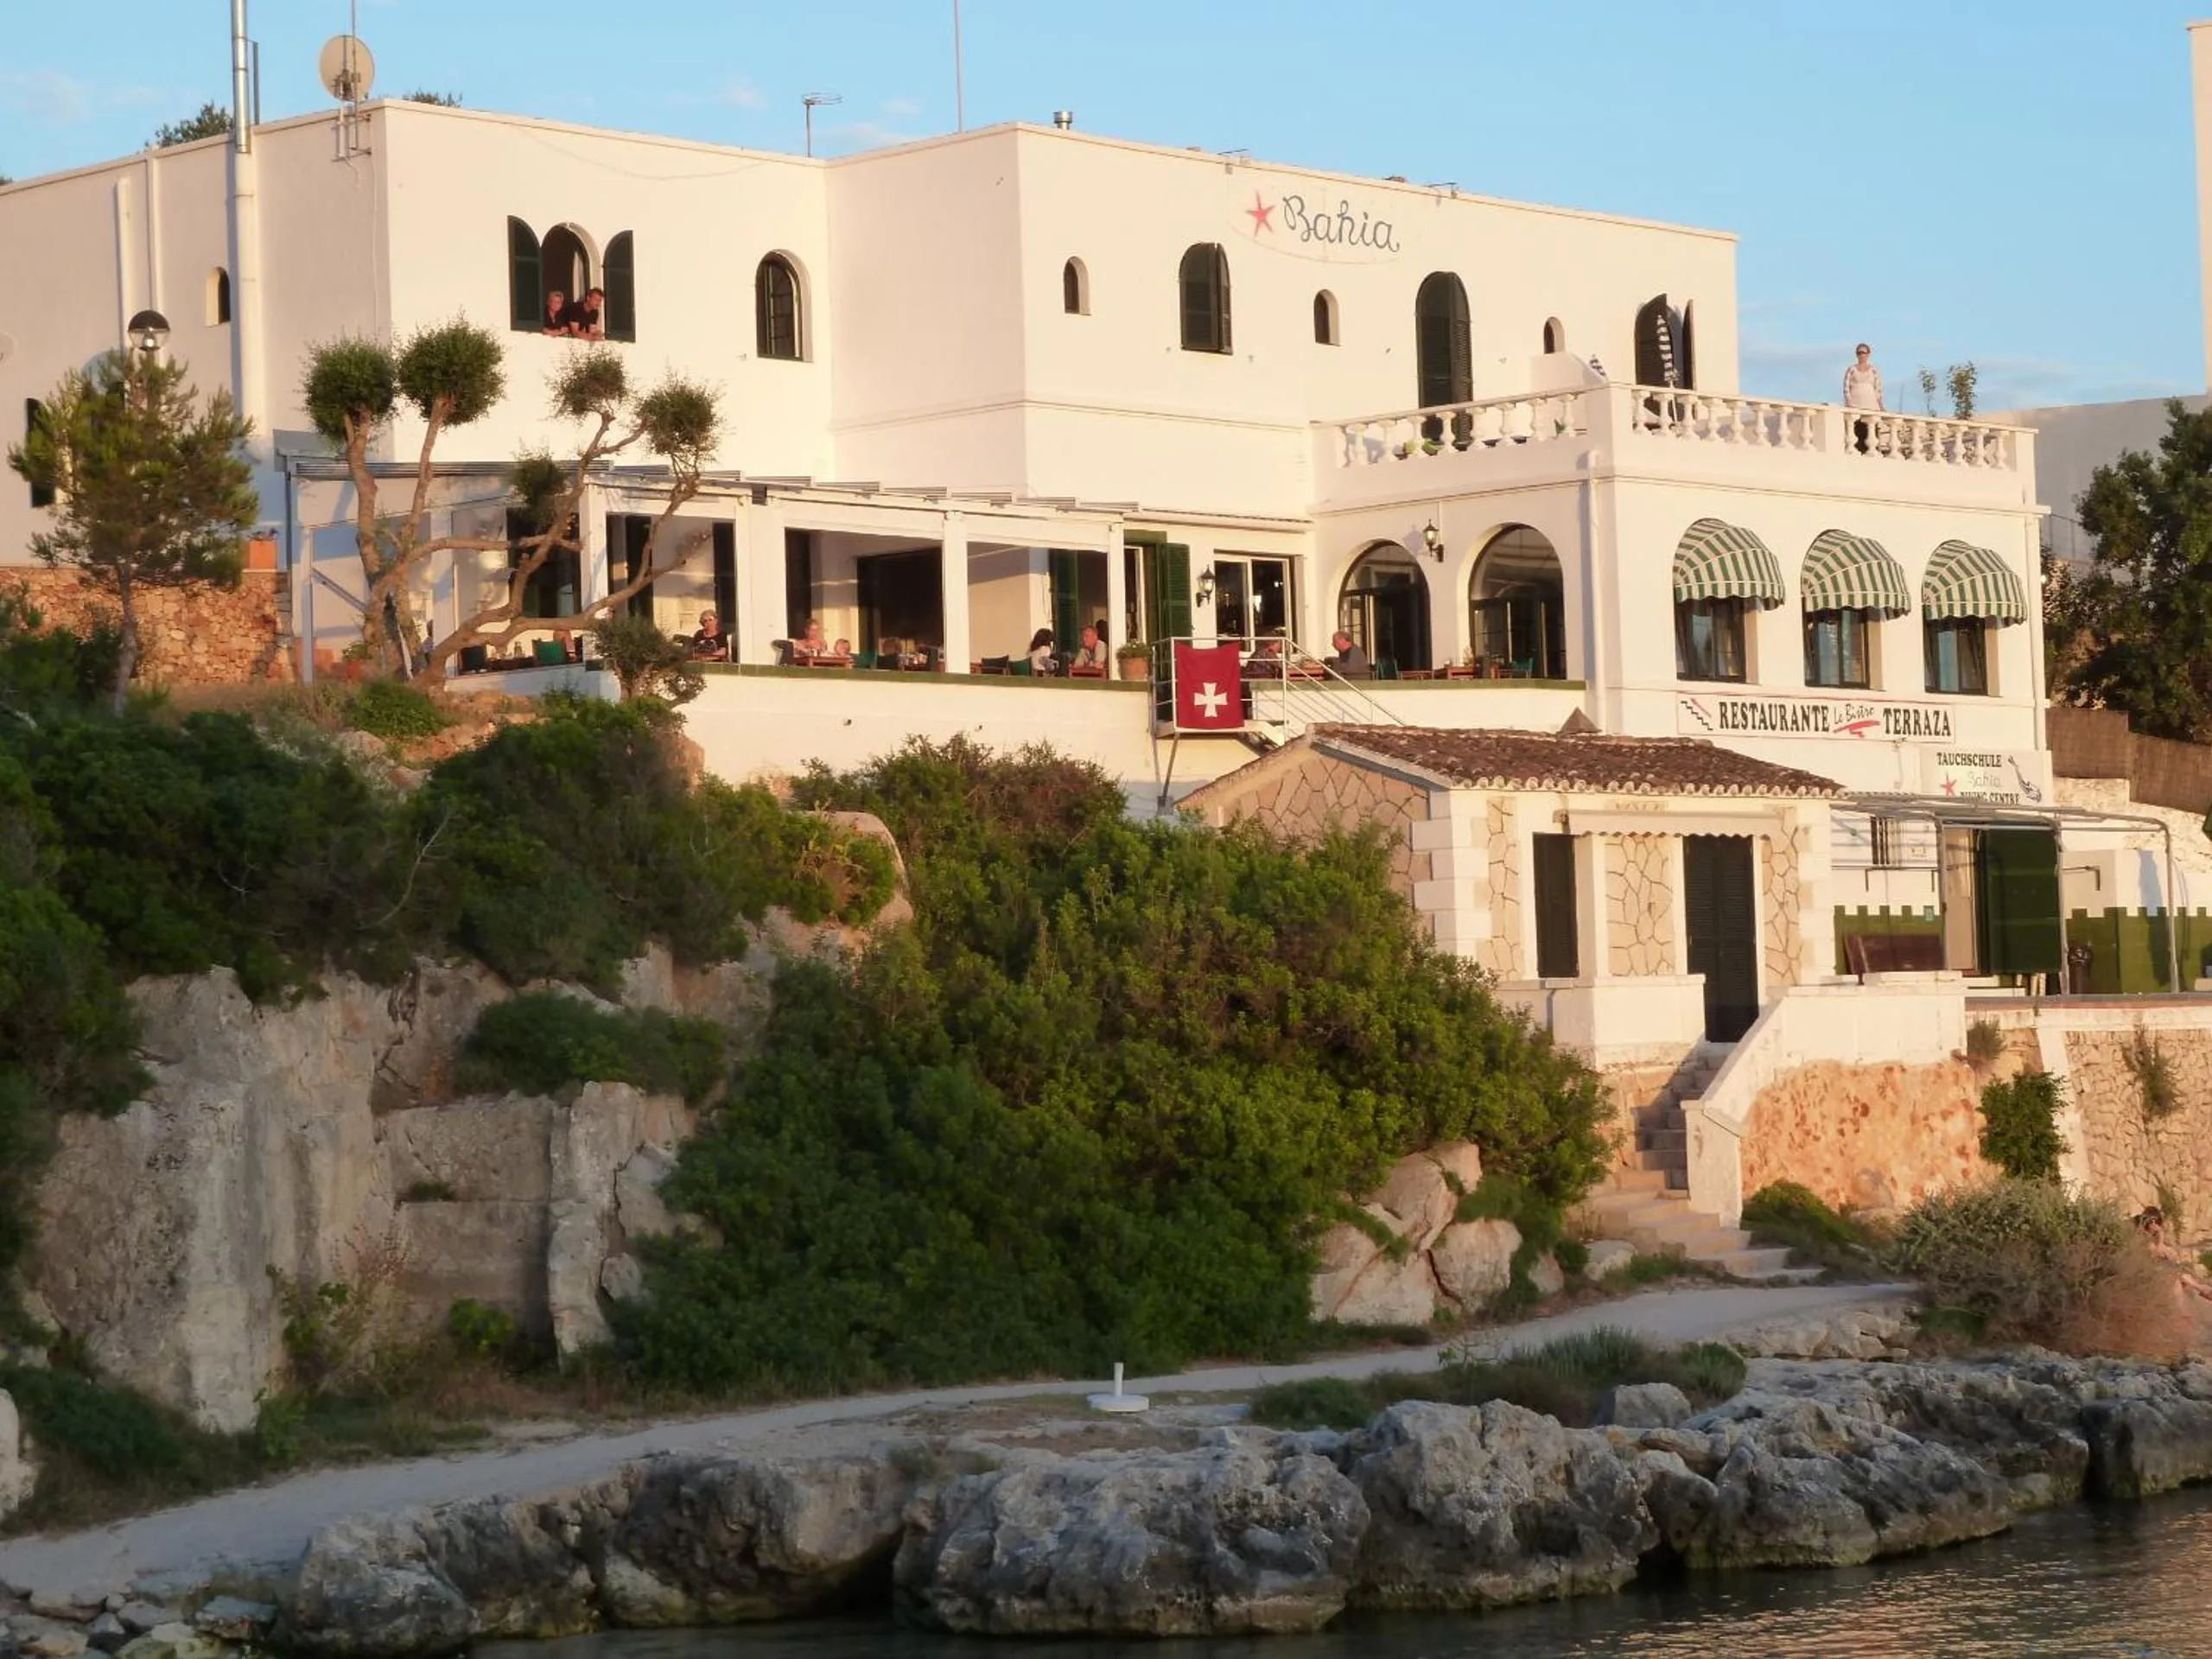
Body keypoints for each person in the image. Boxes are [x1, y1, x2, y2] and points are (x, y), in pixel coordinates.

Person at [1844, 342, 1883, 454]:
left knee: (1870, 431)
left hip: (1871, 404)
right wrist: (1848, 402)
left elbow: (1878, 389)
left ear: (1868, 354)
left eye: (1863, 352)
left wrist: (1881, 405)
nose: (1861, 355)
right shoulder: (1851, 369)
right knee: (1857, 431)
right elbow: (1846, 387)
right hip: (1856, 404)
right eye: (1859, 353)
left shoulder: (1874, 370)